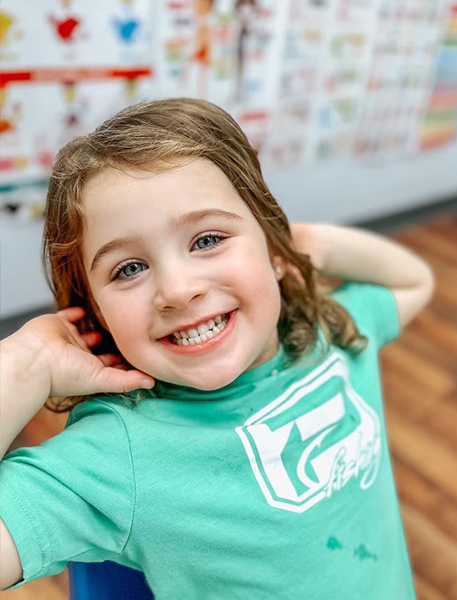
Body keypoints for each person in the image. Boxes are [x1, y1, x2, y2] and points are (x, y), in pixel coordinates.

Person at [0, 97, 434, 598]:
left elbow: (413, 283)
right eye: (129, 269)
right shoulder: (117, 457)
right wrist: (22, 365)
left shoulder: (330, 332)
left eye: (207, 239)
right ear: (97, 313)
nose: (178, 289)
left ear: (271, 248)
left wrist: (307, 243)